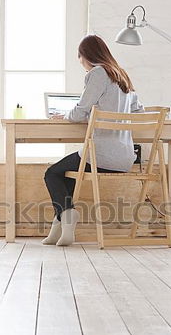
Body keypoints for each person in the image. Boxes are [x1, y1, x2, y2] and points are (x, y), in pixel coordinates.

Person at [42, 34, 145, 246]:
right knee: (69, 175)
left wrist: (67, 116)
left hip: (100, 156)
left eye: (80, 59)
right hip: (125, 159)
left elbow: (80, 111)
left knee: (52, 173)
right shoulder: (121, 76)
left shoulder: (98, 73)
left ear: (86, 56)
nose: (82, 65)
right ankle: (60, 226)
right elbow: (139, 111)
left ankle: (66, 219)